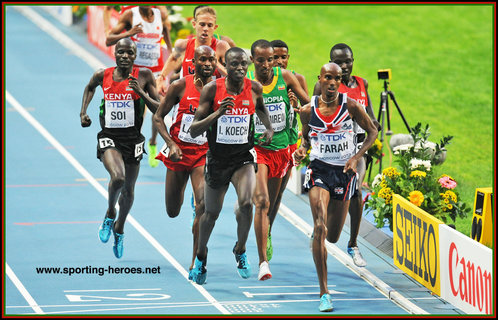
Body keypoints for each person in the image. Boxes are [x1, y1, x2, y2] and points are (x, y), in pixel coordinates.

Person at [294, 63, 377, 311]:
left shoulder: (350, 105)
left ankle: (323, 237)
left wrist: (356, 156)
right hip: (319, 170)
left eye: (336, 79)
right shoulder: (308, 111)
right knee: (320, 226)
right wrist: (301, 150)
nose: (331, 83)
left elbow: (372, 131)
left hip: (344, 172)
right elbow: (306, 138)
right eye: (327, 78)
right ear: (319, 79)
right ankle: (324, 293)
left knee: (332, 237)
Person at [188, 47, 274, 285]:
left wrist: (268, 129)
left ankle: (240, 250)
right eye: (234, 64)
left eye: (243, 64)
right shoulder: (212, 89)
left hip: (243, 158)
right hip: (217, 160)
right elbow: (194, 129)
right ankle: (201, 256)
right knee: (210, 213)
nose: (239, 68)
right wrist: (217, 113)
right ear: (224, 65)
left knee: (247, 203)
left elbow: (262, 111)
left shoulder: (254, 88)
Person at [79, 38, 160, 259]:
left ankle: (120, 228)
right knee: (118, 178)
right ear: (115, 54)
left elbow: (160, 108)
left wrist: (141, 93)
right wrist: (83, 112)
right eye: (121, 52)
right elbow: (89, 88)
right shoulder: (102, 75)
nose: (125, 56)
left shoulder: (144, 76)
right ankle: (109, 213)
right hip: (109, 137)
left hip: (133, 140)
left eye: (129, 53)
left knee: (129, 190)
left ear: (135, 56)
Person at [247, 39, 310, 281]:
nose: (266, 64)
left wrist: (304, 140)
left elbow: (309, 107)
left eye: (270, 60)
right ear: (253, 60)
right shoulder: (249, 82)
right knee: (261, 202)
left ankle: (266, 230)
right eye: (261, 60)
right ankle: (263, 261)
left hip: (284, 148)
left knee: (273, 201)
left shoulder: (285, 77)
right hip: (258, 149)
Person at [152, 45, 217, 279]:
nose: (208, 64)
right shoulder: (180, 86)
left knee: (203, 205)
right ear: (194, 62)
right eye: (203, 60)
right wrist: (171, 144)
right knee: (172, 210)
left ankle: (197, 262)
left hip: (203, 154)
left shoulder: (221, 89)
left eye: (212, 60)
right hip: (179, 153)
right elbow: (158, 117)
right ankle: (189, 202)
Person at [313, 43, 380, 267]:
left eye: (348, 61)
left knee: (357, 190)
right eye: (339, 61)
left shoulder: (362, 83)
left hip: (357, 150)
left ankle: (353, 245)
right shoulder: (327, 86)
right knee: (332, 208)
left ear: (353, 61)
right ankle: (322, 228)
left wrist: (373, 124)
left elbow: (369, 115)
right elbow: (314, 113)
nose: (344, 65)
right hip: (333, 154)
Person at [106, 6, 172, 168]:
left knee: (160, 109)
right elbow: (109, 39)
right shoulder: (130, 15)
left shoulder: (160, 15)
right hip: (136, 73)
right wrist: (129, 33)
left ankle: (153, 143)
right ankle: (135, 142)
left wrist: (171, 65)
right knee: (138, 113)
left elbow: (168, 41)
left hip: (156, 72)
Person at [263, 39, 308, 263]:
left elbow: (309, 111)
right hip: (262, 143)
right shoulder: (259, 80)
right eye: (276, 57)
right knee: (261, 195)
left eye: (284, 57)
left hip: (288, 141)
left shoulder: (296, 79)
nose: (280, 61)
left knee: (278, 193)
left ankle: (267, 230)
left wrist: (296, 106)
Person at [155, 5, 230, 96]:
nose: (205, 29)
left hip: (211, 101)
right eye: (202, 24)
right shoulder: (183, 45)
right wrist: (161, 77)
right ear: (194, 24)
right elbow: (173, 59)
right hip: (187, 100)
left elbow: (233, 76)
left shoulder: (221, 46)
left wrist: (216, 64)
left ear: (215, 27)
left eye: (210, 25)